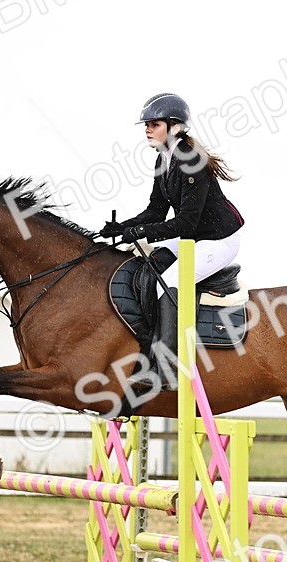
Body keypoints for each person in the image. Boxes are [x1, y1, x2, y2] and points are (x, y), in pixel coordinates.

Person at [98, 92, 245, 387]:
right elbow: (155, 211)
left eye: (154, 123)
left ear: (175, 127)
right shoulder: (162, 160)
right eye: (147, 124)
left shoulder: (191, 161)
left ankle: (168, 367)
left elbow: (186, 221)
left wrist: (140, 232)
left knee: (171, 280)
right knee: (149, 265)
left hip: (219, 240)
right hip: (193, 238)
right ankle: (148, 349)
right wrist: (122, 227)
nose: (147, 129)